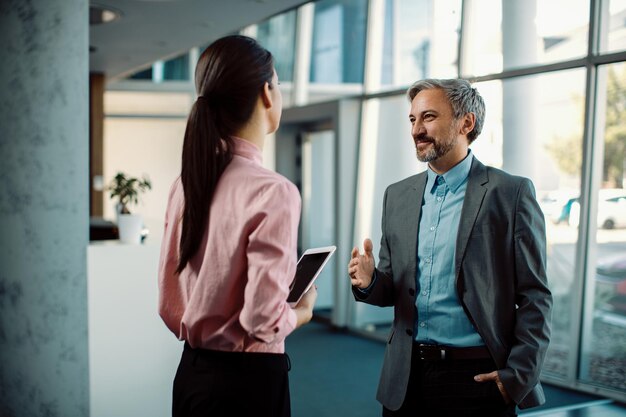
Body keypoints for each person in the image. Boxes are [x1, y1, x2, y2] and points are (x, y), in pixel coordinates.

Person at [348, 78, 552, 417]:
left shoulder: (509, 193)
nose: (416, 129)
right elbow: (391, 291)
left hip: (476, 380)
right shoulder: (397, 195)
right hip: (405, 379)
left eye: (428, 117)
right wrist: (369, 281)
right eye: (412, 119)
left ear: (465, 123)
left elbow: (535, 296)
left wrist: (517, 376)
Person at [158, 35, 317, 417]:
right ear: (267, 92)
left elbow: (169, 306)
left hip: (193, 375)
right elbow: (261, 320)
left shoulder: (185, 183)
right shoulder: (273, 191)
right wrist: (301, 312)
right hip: (248, 385)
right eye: (278, 83)